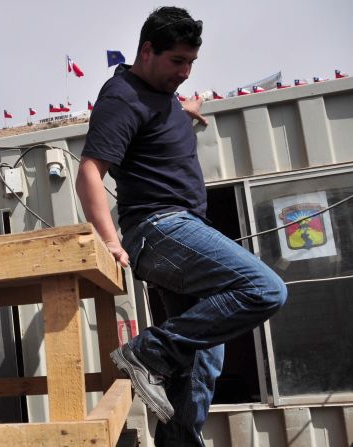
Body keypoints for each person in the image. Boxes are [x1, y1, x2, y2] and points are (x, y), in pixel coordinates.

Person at [75, 7, 287, 446]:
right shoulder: (122, 97)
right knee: (265, 289)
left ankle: (179, 441)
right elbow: (89, 172)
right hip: (159, 227)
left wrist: (184, 111)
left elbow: (154, 125)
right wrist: (110, 242)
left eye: (191, 63)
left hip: (179, 225)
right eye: (177, 62)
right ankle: (147, 352)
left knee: (204, 356)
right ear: (147, 50)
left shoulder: (162, 97)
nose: (185, 73)